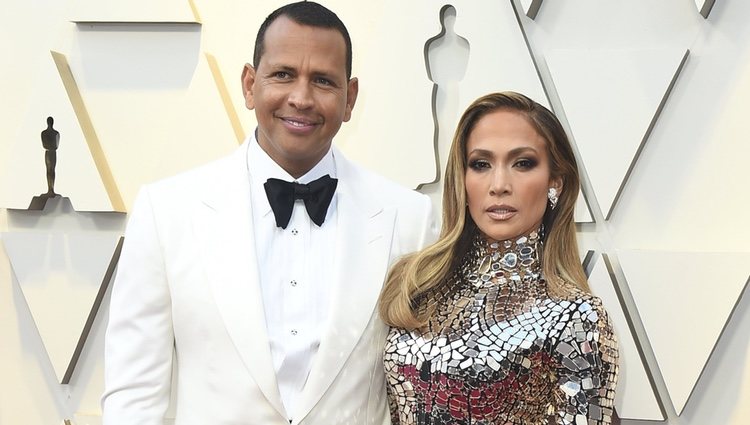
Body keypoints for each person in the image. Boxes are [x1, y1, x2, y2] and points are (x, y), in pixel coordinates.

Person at [101, 2, 436, 424]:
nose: (301, 98)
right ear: (249, 84)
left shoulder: (410, 219)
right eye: (283, 75)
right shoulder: (166, 211)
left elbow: (423, 394)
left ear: (350, 98)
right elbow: (134, 396)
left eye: (323, 81)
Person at [380, 92, 619, 424]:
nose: (499, 184)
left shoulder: (576, 315)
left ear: (555, 183)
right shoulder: (415, 281)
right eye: (481, 164)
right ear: (461, 180)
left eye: (522, 163)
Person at [41, 116, 60, 195]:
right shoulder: (44, 133)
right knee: (48, 170)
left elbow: (56, 145)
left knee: (52, 170)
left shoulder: (56, 133)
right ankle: (49, 188)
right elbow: (45, 145)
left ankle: (52, 189)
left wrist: (50, 145)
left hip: (52, 152)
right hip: (49, 152)